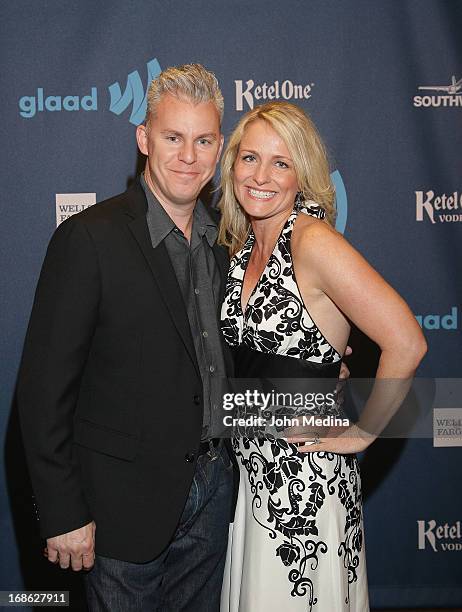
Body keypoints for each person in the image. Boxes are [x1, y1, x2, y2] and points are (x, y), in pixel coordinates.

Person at [17, 64, 235, 612]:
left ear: (219, 147)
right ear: (144, 139)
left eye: (203, 139)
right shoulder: (88, 239)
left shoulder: (225, 245)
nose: (188, 155)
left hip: (213, 499)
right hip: (118, 507)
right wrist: (63, 513)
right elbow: (44, 392)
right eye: (172, 137)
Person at [218, 101, 427, 611]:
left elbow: (407, 341)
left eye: (280, 162)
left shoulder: (313, 242)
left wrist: (363, 432)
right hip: (251, 478)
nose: (261, 176)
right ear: (233, 166)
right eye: (249, 158)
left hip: (304, 487)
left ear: (302, 174)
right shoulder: (246, 243)